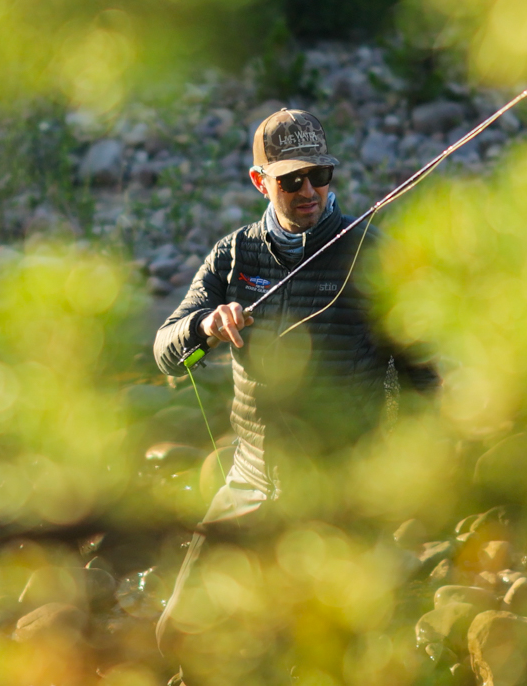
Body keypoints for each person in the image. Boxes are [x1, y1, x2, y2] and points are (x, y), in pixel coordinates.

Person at [151, 108, 436, 683]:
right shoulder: (233, 256)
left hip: (342, 489)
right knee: (178, 636)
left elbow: (423, 377)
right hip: (252, 481)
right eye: (291, 180)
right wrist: (205, 325)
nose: (309, 191)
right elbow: (165, 352)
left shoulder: (372, 252)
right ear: (261, 182)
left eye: (320, 175)